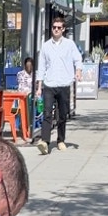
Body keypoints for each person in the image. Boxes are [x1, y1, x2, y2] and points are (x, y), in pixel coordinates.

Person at [35, 17, 83, 155]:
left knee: (62, 115)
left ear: (63, 29)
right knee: (47, 113)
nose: (56, 29)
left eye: (58, 27)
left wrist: (78, 71)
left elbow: (77, 59)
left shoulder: (69, 44)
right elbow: (41, 67)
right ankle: (45, 141)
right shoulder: (45, 46)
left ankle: (61, 140)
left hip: (63, 84)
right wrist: (39, 87)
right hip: (49, 84)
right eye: (54, 27)